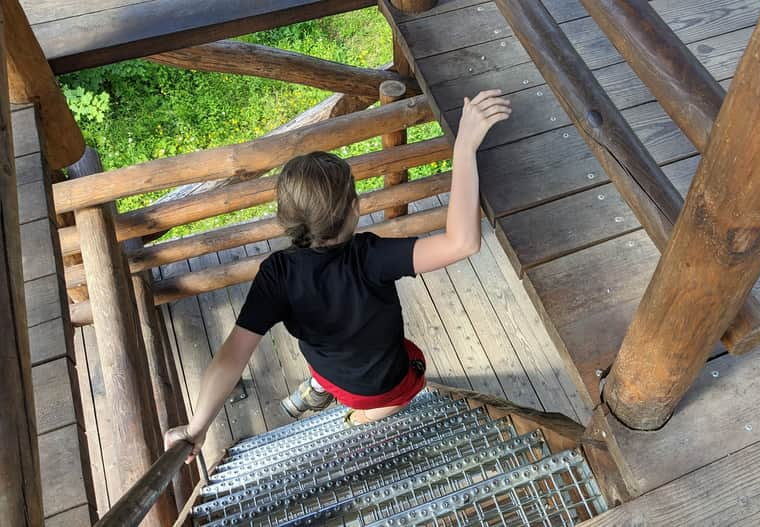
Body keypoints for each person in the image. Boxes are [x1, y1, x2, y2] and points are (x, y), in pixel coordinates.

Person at [165, 90, 512, 463]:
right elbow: (462, 242)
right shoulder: (371, 256)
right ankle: (358, 420)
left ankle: (318, 390)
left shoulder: (276, 274)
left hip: (327, 369)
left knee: (331, 373)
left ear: (287, 218)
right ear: (355, 208)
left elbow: (232, 356)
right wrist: (464, 147)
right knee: (409, 379)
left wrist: (197, 427)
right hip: (380, 388)